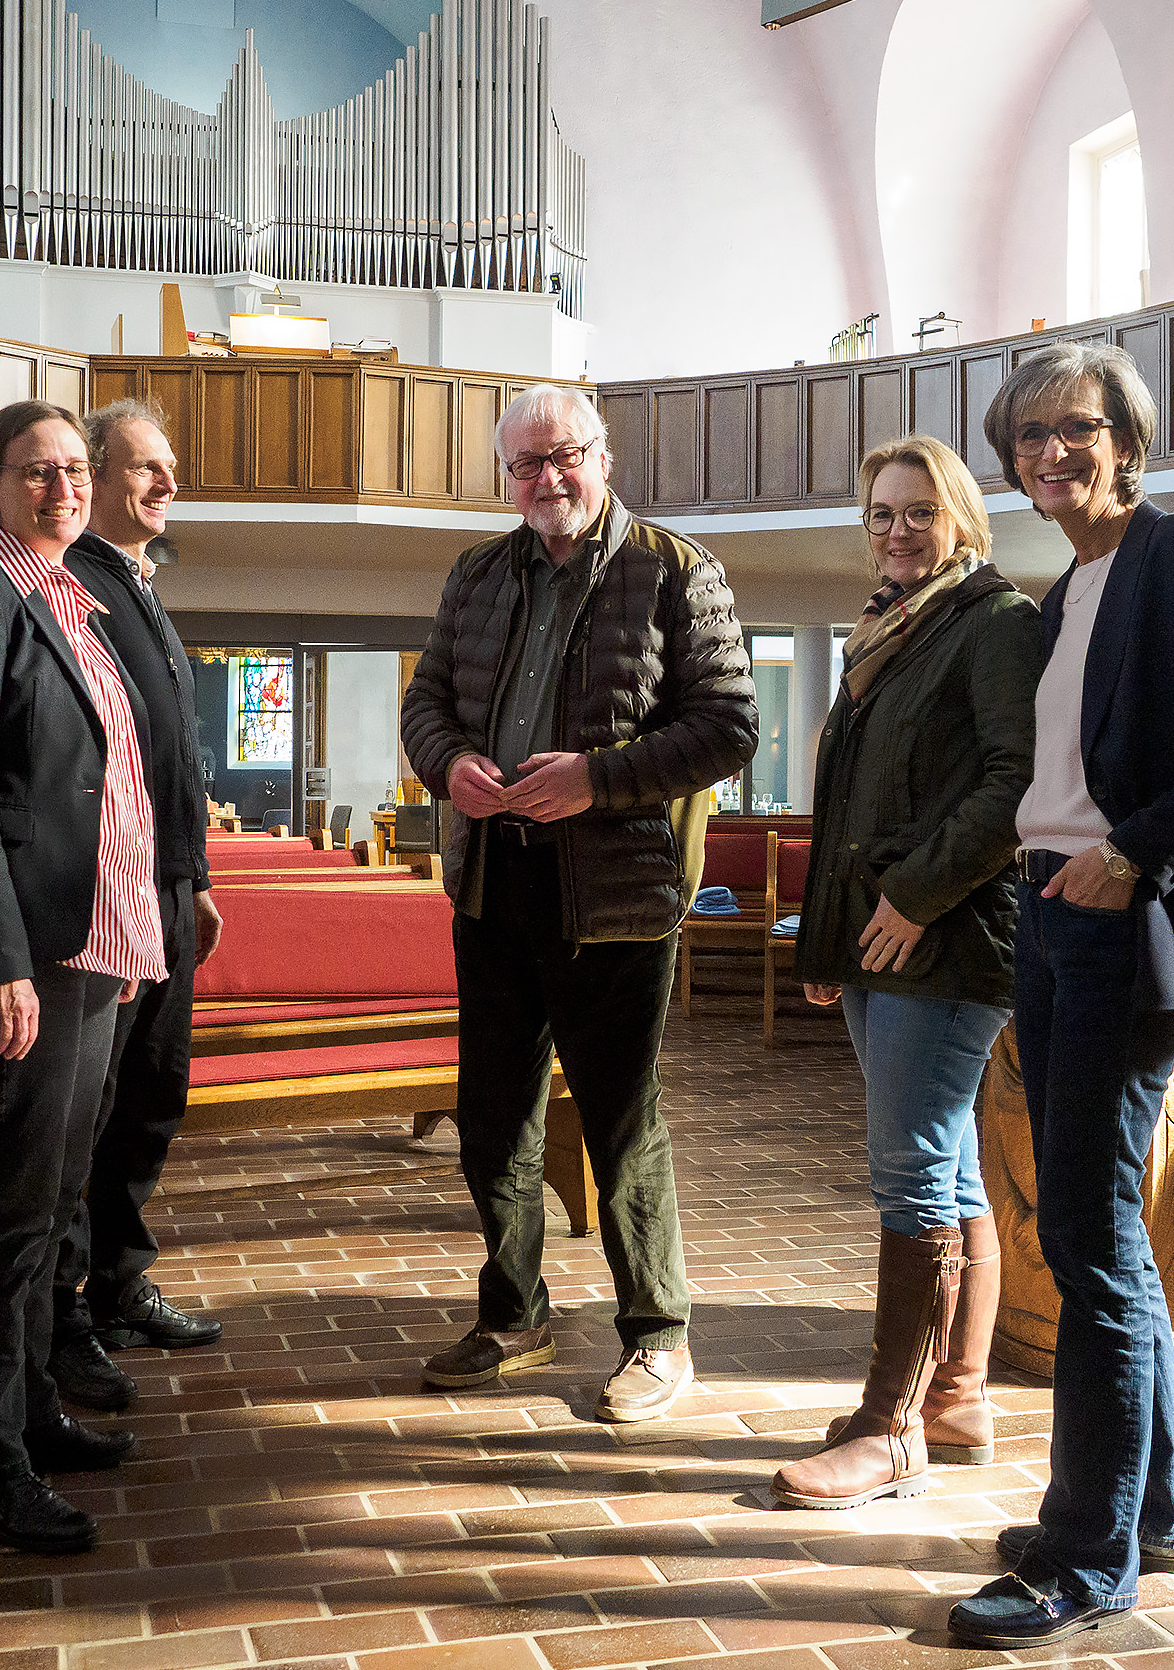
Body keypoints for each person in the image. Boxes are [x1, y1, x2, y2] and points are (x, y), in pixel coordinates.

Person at [948, 342, 1174, 1648]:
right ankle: (1159, 1505)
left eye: (1074, 426)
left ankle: (1083, 1556)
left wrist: (1135, 848)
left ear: (1125, 436)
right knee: (1103, 1226)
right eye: (1028, 433)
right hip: (1054, 908)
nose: (1050, 450)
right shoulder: (1067, 589)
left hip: (1123, 919)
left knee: (1087, 1236)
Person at [400, 385, 756, 1423]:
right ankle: (513, 1312)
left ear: (602, 455)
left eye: (562, 458)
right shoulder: (477, 572)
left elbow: (728, 726)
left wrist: (597, 779)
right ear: (503, 475)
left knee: (618, 1118)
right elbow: (427, 701)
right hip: (491, 882)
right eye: (524, 465)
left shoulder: (674, 570)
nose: (545, 480)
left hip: (615, 895)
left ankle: (657, 1336)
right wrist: (450, 762)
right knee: (492, 1115)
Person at [0, 399, 166, 1555]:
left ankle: (32, 1413)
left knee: (59, 1201)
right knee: (12, 1214)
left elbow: (106, 787)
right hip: (29, 947)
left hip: (94, 940)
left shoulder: (77, 599)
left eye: (73, 467)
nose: (62, 485)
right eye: (37, 470)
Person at [772, 435, 1040, 1511]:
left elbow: (1016, 788)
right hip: (881, 938)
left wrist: (910, 898)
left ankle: (890, 1428)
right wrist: (830, 941)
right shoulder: (885, 631)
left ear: (962, 520)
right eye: (881, 513)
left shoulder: (995, 625)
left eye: (919, 512)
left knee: (914, 1175)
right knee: (951, 1169)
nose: (897, 530)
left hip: (946, 938)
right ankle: (957, 1396)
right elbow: (851, 812)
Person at [44, 398, 227, 1414]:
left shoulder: (140, 587)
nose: (165, 484)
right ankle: (63, 1313)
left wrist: (193, 878)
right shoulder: (75, 585)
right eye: (146, 467)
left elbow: (169, 758)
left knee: (152, 1096)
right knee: (89, 1109)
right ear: (98, 475)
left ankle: (115, 1284)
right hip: (105, 899)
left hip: (162, 891)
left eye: (170, 468)